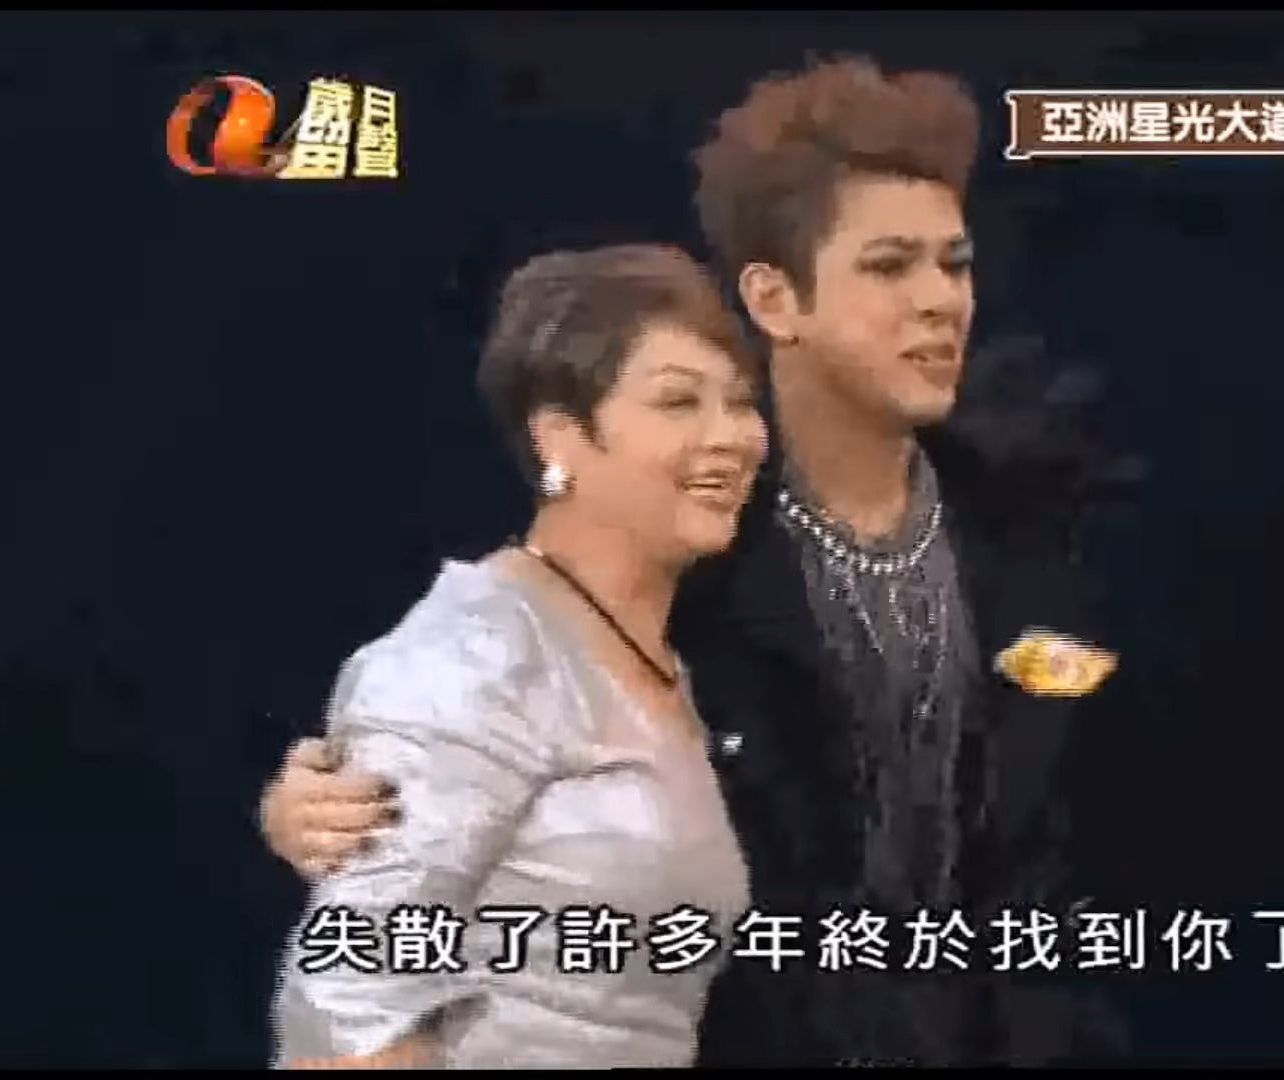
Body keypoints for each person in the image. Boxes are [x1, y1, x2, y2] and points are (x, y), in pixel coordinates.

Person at [262, 58, 1135, 1066]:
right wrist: (336, 807)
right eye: (891, 265)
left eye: (956, 263)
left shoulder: (1038, 531)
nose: (942, 300)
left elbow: (1085, 841)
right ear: (775, 297)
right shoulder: (671, 534)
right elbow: (473, 688)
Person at [270, 243, 768, 1069]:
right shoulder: (476, 656)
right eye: (679, 401)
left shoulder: (662, 664)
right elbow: (348, 1007)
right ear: (559, 439)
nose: (733, 438)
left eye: (742, 403)